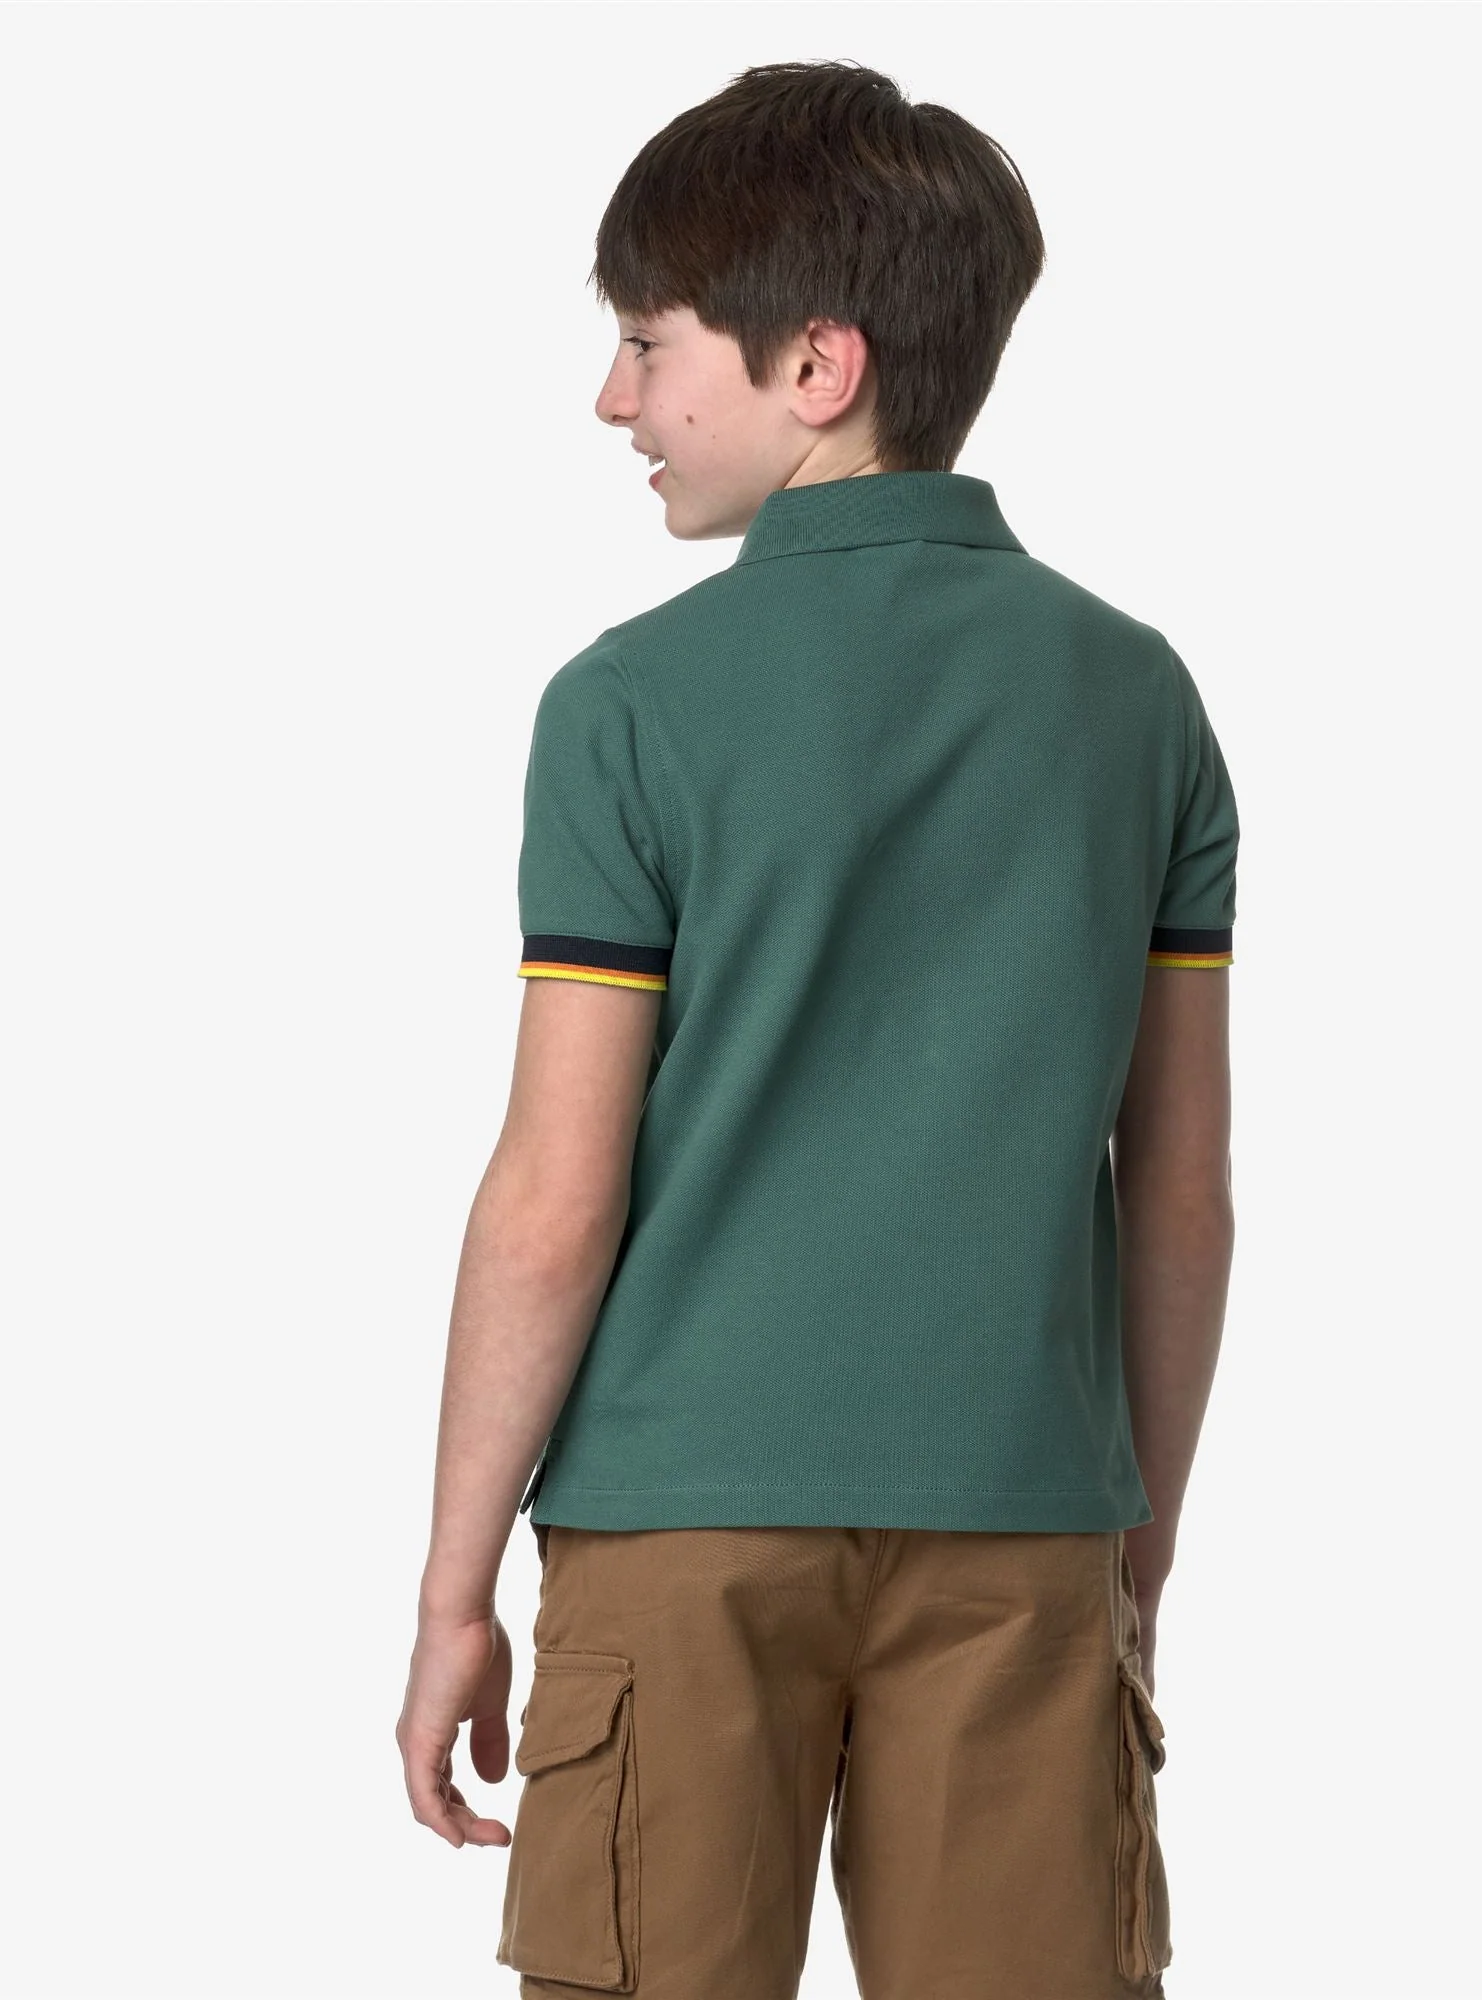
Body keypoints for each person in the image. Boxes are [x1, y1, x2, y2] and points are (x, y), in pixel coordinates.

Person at [396, 57, 1237, 2000]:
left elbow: (553, 1196)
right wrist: (1134, 1546)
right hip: (1026, 1513)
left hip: (676, 1525)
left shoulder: (629, 705)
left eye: (646, 343)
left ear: (816, 366)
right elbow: (1181, 1193)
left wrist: (453, 1590)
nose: (614, 400)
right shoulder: (1139, 701)